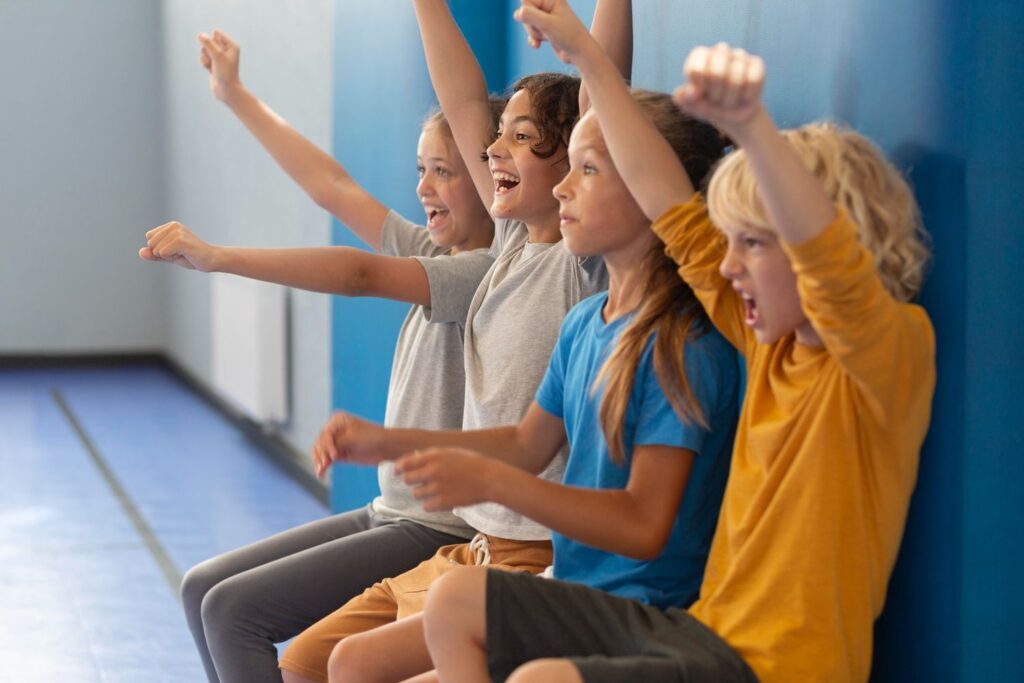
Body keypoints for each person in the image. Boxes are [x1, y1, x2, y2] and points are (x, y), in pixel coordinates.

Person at [417, 3, 936, 682]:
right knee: (455, 602)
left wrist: (751, 129)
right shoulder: (763, 344)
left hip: (778, 667)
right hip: (700, 631)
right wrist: (588, 59)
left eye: (752, 243)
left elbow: (829, 264)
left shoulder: (884, 352)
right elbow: (669, 207)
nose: (727, 264)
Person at [323, 86, 738, 683]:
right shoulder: (582, 325)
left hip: (642, 608)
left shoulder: (682, 346)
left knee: (452, 605)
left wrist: (494, 483)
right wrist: (392, 443)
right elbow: (526, 444)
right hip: (573, 591)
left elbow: (645, 527)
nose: (566, 185)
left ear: (649, 191)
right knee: (354, 663)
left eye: (586, 170)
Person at [274, 2, 629, 680]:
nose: (491, 150)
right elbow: (462, 98)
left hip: (532, 552)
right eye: (496, 136)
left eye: (520, 138)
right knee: (311, 662)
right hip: (476, 548)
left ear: (575, 162)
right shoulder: (511, 246)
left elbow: (603, 97)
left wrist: (589, 37)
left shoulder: (578, 262)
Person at [140, 30, 499, 683]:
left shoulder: (483, 271)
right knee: (202, 588)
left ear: (488, 176)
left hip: (435, 525)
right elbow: (330, 185)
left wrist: (219, 257)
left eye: (444, 171)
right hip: (390, 509)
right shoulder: (435, 252)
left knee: (233, 611)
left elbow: (360, 275)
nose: (425, 187)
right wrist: (235, 95)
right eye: (420, 169)